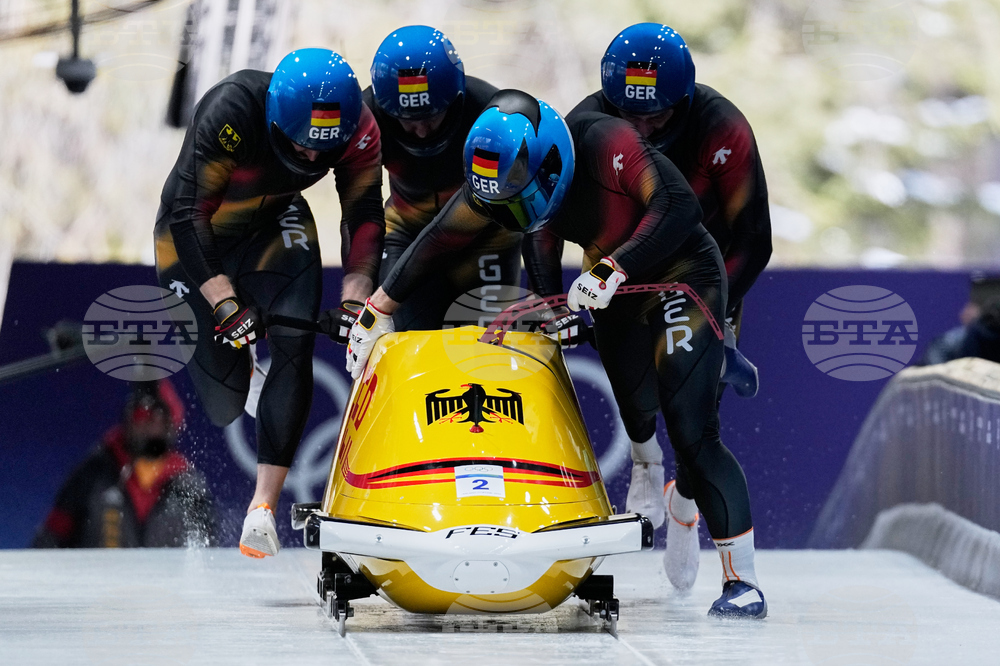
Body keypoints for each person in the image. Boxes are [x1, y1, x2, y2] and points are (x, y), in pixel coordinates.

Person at [343, 90, 766, 618]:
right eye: (501, 205)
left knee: (691, 426)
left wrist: (617, 266)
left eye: (519, 198)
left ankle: (740, 579)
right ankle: (649, 467)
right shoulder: (501, 185)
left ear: (551, 166)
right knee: (637, 407)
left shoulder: (607, 141)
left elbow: (676, 207)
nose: (512, 212)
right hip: (611, 286)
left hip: (682, 277)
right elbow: (438, 240)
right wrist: (377, 308)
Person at [154, 48, 385, 559]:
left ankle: (262, 509)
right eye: (299, 145)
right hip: (193, 237)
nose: (309, 158)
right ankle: (247, 374)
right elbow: (187, 216)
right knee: (225, 404)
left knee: (296, 338)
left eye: (321, 152)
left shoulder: (359, 128)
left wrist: (355, 298)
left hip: (275, 224)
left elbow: (364, 215)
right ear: (276, 119)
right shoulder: (233, 108)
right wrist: (224, 302)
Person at [570, 23, 773, 589]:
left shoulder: (722, 127)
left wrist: (721, 315)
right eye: (626, 113)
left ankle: (684, 504)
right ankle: (642, 456)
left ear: (682, 101)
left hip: (696, 280)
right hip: (621, 277)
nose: (639, 128)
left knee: (693, 427)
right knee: (637, 395)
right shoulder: (586, 125)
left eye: (655, 116)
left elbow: (753, 237)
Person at [354, 25, 514, 332]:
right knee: (412, 345)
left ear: (454, 101)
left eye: (431, 116)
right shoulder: (366, 119)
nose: (422, 131)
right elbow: (360, 209)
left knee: (481, 355)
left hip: (486, 239)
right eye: (408, 120)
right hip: (408, 233)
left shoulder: (491, 113)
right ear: (386, 110)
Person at [33, 380, 215, 548]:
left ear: (172, 423)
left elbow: (208, 552)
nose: (151, 425)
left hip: (166, 583)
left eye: (160, 416)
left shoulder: (189, 486)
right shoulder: (94, 473)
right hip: (98, 581)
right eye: (142, 414)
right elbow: (51, 539)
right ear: (128, 417)